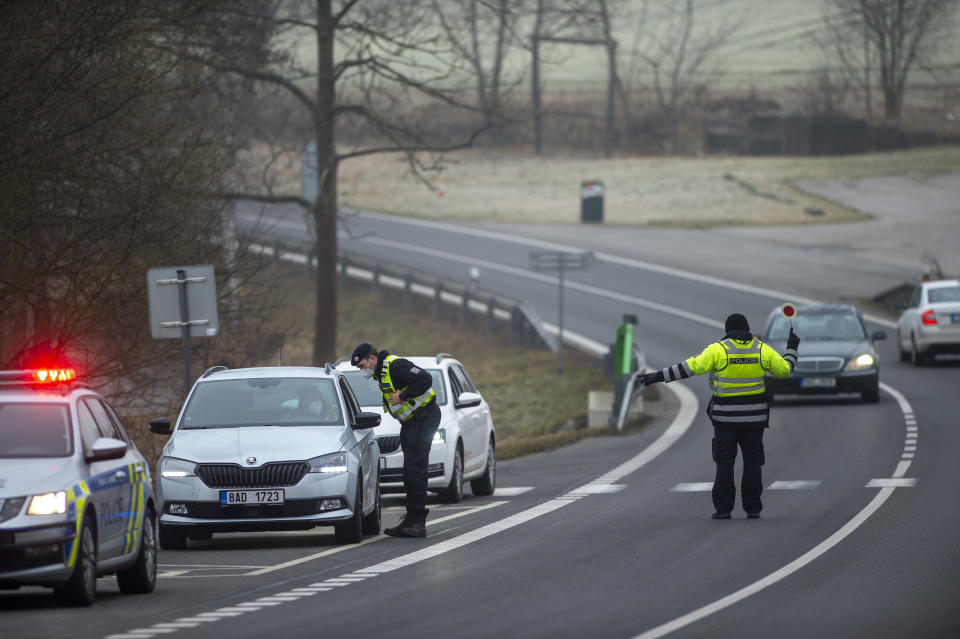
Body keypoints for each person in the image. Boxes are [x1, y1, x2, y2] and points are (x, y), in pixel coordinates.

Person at [639, 313, 799, 519]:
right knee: (753, 462)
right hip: (754, 420)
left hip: (725, 420)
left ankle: (724, 509)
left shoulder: (718, 350)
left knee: (725, 463)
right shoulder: (761, 350)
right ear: (747, 329)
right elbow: (785, 370)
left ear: (727, 331)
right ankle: (753, 508)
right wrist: (792, 348)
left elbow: (689, 368)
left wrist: (657, 376)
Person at [352, 342, 439, 537]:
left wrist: (403, 395)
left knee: (415, 470)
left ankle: (417, 522)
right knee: (410, 471)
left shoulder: (395, 366)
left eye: (362, 365)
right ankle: (411, 519)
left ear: (372, 358)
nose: (361, 371)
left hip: (424, 418)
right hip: (411, 422)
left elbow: (425, 379)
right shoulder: (381, 372)